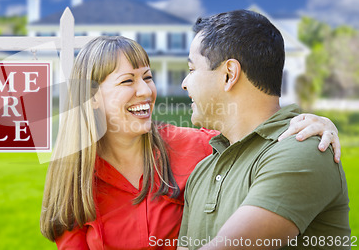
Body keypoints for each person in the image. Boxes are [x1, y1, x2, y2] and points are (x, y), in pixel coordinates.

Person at [40, 36, 341, 250]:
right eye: (127, 81)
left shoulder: (195, 146)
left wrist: (311, 122)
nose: (145, 91)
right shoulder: (76, 184)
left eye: (147, 77)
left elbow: (254, 134)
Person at [178, 10, 350, 250]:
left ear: (229, 74)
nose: (185, 83)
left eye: (192, 69)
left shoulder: (304, 149)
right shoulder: (203, 171)